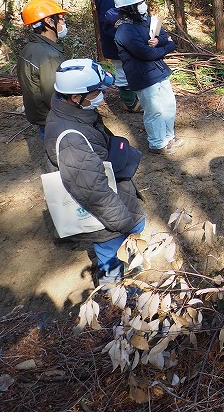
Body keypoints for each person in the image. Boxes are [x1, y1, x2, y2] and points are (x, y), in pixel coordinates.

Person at [45, 58, 146, 284]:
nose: (101, 96)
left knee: (113, 246)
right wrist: (124, 222)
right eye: (96, 92)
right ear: (75, 97)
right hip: (105, 215)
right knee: (110, 251)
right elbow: (93, 191)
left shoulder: (73, 114)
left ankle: (117, 284)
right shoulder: (71, 138)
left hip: (110, 199)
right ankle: (116, 294)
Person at [112, 0, 181, 155]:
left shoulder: (145, 21)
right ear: (129, 7)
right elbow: (146, 54)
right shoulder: (124, 31)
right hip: (143, 76)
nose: (144, 5)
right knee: (154, 110)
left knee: (169, 104)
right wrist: (169, 46)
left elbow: (163, 36)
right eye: (140, 2)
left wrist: (160, 42)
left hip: (158, 71)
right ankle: (157, 144)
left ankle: (169, 137)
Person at [90, 0, 141, 112]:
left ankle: (133, 96)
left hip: (128, 32)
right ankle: (129, 102)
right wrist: (120, 38)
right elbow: (107, 18)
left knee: (130, 67)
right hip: (117, 36)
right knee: (122, 69)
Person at [16, 0, 69, 137]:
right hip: (56, 122)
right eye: (62, 19)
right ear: (49, 21)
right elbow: (54, 95)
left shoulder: (29, 48)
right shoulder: (49, 56)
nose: (64, 23)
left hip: (43, 119)